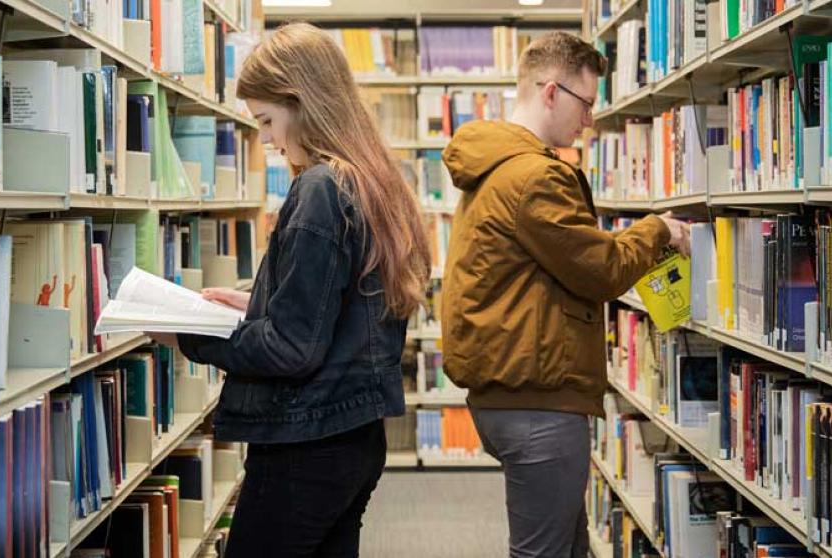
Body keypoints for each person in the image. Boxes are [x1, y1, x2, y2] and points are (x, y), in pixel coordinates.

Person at [148, 22, 430, 557]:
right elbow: (346, 305)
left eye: (268, 121)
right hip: (355, 435)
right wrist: (257, 303)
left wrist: (186, 337)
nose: (270, 140)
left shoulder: (320, 188)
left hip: (306, 443)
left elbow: (292, 348)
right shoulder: (373, 179)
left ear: (301, 103)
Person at [440, 31, 690, 558]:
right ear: (550, 91)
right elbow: (600, 269)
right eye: (585, 103)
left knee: (569, 548)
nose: (590, 120)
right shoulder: (534, 178)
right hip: (537, 403)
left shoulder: (495, 167)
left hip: (514, 393)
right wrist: (658, 231)